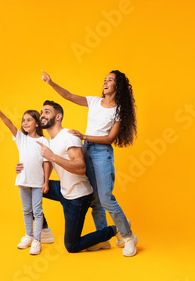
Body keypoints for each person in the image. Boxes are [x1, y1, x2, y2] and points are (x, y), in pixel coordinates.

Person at [41, 70, 138, 257]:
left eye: (110, 80)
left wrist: (83, 136)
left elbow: (109, 138)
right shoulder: (94, 101)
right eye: (105, 79)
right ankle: (103, 239)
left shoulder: (118, 110)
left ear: (118, 86)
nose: (105, 82)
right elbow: (68, 96)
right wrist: (51, 83)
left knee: (106, 197)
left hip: (102, 153)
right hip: (87, 150)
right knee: (94, 199)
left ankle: (128, 236)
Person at [17, 100, 117, 253]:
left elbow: (80, 167)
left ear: (58, 117)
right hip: (63, 190)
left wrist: (53, 156)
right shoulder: (49, 141)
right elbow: (45, 163)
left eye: (47, 112)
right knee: (31, 183)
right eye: (42, 112)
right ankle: (43, 231)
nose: (42, 115)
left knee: (71, 246)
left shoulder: (69, 136)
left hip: (77, 197)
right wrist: (23, 170)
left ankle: (113, 230)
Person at [0, 102, 52, 255]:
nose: (25, 123)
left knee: (37, 211)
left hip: (37, 182)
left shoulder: (44, 141)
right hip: (23, 180)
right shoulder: (21, 138)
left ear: (36, 123)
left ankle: (37, 240)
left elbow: (47, 163)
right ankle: (29, 235)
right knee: (26, 210)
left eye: (29, 120)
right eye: (24, 120)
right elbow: (10, 125)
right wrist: (0, 113)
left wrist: (46, 182)